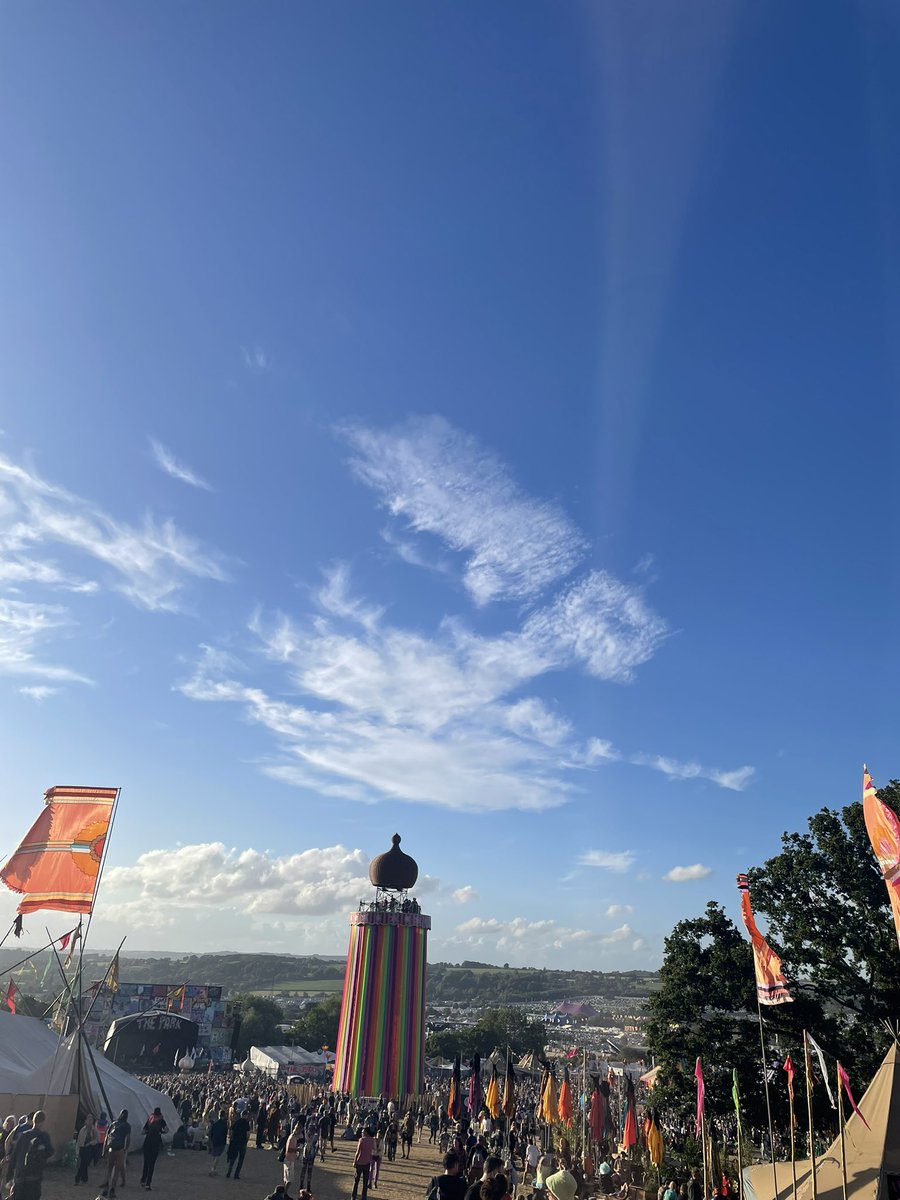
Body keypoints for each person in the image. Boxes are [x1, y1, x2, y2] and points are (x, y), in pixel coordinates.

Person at [9, 1110, 52, 1200]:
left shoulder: (24, 1135)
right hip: (34, 1177)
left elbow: (14, 1155)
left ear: (33, 1120)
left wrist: (10, 1177)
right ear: (43, 1122)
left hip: (20, 1176)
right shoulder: (44, 1136)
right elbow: (50, 1152)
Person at [101, 1109, 131, 1199]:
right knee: (116, 1170)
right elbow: (128, 1138)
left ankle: (105, 1187)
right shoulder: (127, 1126)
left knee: (109, 1169)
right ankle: (112, 1190)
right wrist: (125, 1149)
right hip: (119, 1150)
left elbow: (107, 1137)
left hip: (111, 1149)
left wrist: (104, 1150)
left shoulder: (113, 1123)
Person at [141, 1110, 166, 1190]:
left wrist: (148, 1132)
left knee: (146, 1162)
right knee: (152, 1164)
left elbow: (143, 1131)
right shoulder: (161, 1120)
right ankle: (148, 1184)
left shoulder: (150, 1119)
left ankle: (143, 1180)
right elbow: (167, 1130)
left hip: (147, 1143)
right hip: (155, 1144)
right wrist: (161, 1132)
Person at [226, 1110, 251, 1180]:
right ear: (246, 1115)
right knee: (241, 1159)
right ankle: (236, 1174)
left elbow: (231, 1132)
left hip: (235, 1142)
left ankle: (229, 1172)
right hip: (242, 1143)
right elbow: (248, 1134)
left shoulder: (236, 1122)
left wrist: (231, 1139)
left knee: (233, 1159)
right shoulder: (246, 1123)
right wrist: (246, 1141)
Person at [352, 1127, 376, 1200]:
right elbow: (374, 1149)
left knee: (356, 1181)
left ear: (366, 1132)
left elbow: (358, 1152)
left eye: (362, 1132)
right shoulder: (372, 1140)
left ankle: (353, 1197)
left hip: (360, 1162)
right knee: (365, 1183)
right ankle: (364, 1197)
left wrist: (354, 1161)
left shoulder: (361, 1140)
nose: (361, 1133)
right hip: (367, 1163)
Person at [74, 1116, 98, 1186]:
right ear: (86, 1121)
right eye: (88, 1120)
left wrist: (90, 1143)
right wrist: (77, 1151)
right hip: (82, 1149)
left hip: (90, 1149)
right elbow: (79, 1141)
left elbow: (97, 1140)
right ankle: (84, 1178)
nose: (90, 1122)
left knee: (83, 1164)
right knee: (84, 1165)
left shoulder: (94, 1130)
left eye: (91, 1120)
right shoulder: (82, 1130)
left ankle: (77, 1178)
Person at [282, 1121, 302, 1191]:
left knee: (286, 1178)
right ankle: (285, 1193)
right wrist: (297, 1149)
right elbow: (289, 1150)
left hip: (288, 1159)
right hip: (289, 1159)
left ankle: (284, 1193)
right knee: (289, 1179)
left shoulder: (292, 1137)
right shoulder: (292, 1138)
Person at [209, 1109, 229, 1175]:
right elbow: (225, 1133)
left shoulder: (215, 1123)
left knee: (214, 1155)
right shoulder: (224, 1124)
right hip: (221, 1141)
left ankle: (214, 1169)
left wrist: (211, 1140)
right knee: (218, 1155)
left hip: (214, 1140)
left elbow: (211, 1132)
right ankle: (213, 1168)